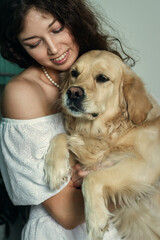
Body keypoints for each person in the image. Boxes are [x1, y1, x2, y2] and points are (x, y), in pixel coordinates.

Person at [0, 0, 135, 239]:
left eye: (57, 29)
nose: (53, 48)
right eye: (34, 43)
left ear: (73, 20)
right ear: (20, 47)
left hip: (125, 227)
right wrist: (139, 179)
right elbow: (66, 213)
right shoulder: (22, 93)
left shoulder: (103, 66)